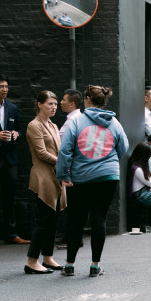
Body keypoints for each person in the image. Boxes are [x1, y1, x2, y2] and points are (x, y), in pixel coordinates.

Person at [57, 85, 129, 277]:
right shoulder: (114, 122)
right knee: (99, 219)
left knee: (76, 220)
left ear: (87, 99)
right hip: (108, 176)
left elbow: (65, 150)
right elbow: (124, 147)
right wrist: (110, 162)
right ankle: (95, 266)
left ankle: (70, 265)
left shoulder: (77, 121)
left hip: (81, 177)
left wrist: (63, 174)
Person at [24, 91, 68, 273]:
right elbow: (41, 153)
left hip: (55, 175)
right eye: (50, 104)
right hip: (43, 176)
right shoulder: (34, 125)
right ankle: (31, 261)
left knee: (53, 219)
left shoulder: (53, 125)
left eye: (56, 104)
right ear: (39, 104)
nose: (54, 107)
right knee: (43, 220)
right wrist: (63, 163)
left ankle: (48, 257)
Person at [0, 74, 26, 244]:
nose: (5, 90)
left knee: (10, 196)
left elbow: (19, 128)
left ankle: (11, 234)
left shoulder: (12, 108)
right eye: (1, 87)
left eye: (6, 87)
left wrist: (16, 133)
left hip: (9, 158)